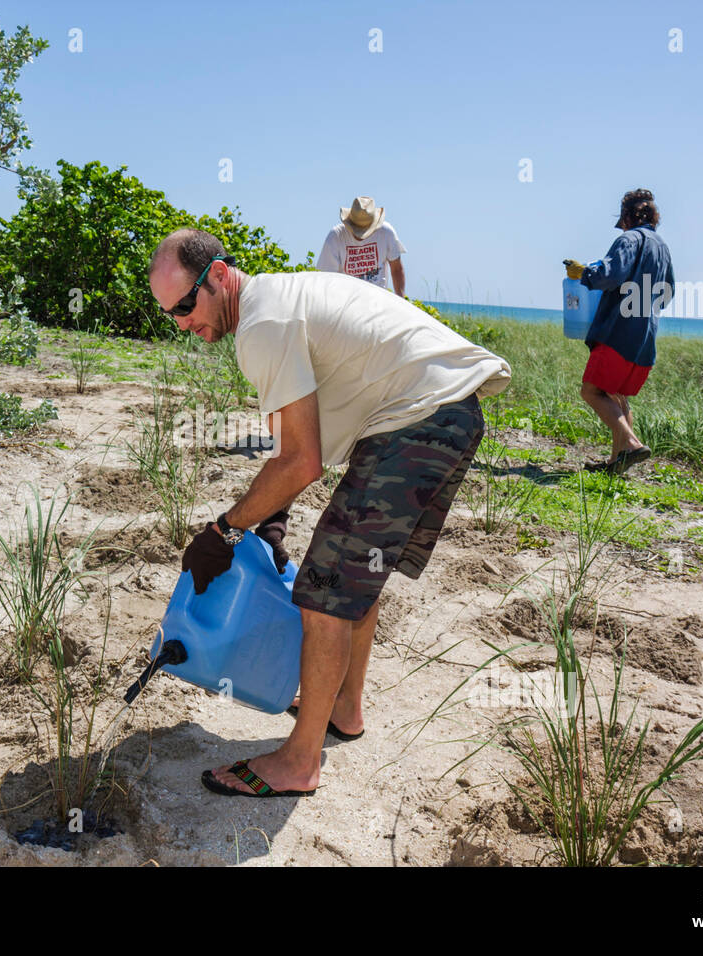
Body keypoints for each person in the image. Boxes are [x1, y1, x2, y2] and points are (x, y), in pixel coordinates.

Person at [148, 228, 511, 798]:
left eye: (187, 305)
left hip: (418, 418)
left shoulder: (262, 325)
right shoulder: (274, 301)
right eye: (170, 314)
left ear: (218, 276)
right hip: (443, 413)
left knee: (323, 591)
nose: (183, 324)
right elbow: (289, 446)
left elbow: (302, 461)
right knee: (351, 579)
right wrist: (269, 521)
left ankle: (299, 762)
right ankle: (344, 708)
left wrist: (224, 530)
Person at [564, 188, 674, 475]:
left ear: (626, 217)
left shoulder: (628, 239)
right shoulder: (662, 248)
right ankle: (616, 464)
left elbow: (609, 275)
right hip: (645, 337)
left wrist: (584, 273)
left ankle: (633, 444)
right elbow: (667, 293)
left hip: (617, 333)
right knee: (616, 396)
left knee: (591, 392)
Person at [316, 196, 407, 296]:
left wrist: (401, 300)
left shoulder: (386, 232)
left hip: (378, 300)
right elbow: (325, 278)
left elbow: (396, 268)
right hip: (345, 301)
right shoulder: (336, 236)